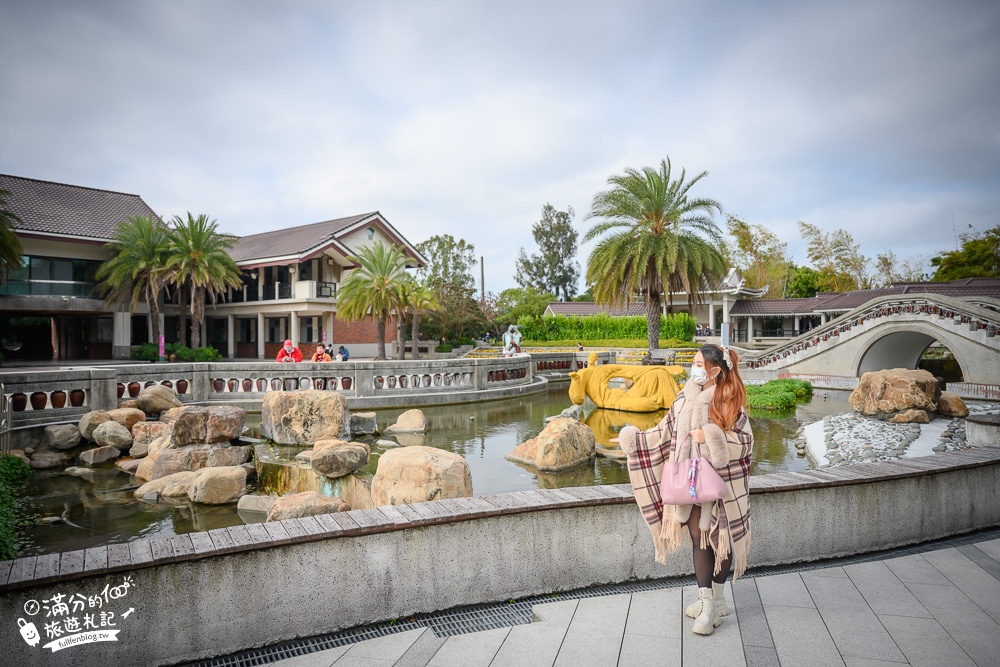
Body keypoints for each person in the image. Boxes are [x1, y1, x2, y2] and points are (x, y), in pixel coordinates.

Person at [614, 344, 753, 637]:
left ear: (715, 370)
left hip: (720, 487)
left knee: (719, 539)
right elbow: (664, 431)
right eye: (694, 362)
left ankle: (717, 599)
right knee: (698, 539)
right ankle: (707, 602)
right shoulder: (684, 397)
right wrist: (635, 440)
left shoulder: (730, 402)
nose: (695, 367)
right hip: (689, 485)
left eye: (699, 363)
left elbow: (745, 443)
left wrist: (713, 436)